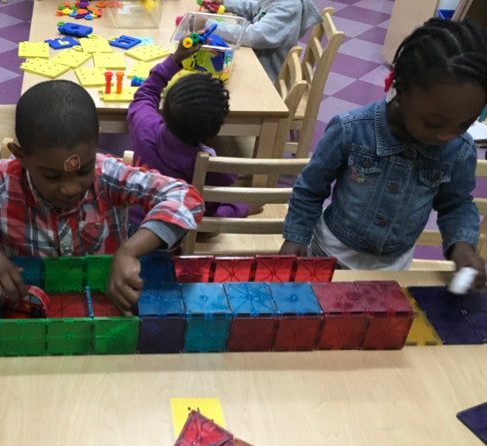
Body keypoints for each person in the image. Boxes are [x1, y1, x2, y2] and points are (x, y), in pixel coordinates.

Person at [0, 80, 204, 314]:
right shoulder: (3, 182)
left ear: (95, 145)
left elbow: (185, 198)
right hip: (25, 308)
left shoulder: (107, 173)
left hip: (100, 305)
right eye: (52, 176)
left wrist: (130, 251)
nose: (70, 188)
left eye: (82, 170)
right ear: (21, 156)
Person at [280, 18, 487, 289]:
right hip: (330, 254)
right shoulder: (350, 130)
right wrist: (296, 235)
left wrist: (462, 243)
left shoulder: (459, 150)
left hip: (395, 268)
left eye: (464, 124)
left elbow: (456, 204)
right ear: (400, 91)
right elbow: (310, 188)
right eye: (434, 123)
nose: (448, 135)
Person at [127, 37, 259, 231]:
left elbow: (145, 94)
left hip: (131, 219)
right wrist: (239, 208)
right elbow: (207, 216)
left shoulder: (144, 125)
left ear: (165, 107)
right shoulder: (212, 167)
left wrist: (175, 60)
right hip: (175, 232)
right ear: (216, 129)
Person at [209, 0, 321, 82]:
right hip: (256, 65)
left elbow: (254, 36)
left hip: (267, 77)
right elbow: (255, 7)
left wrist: (210, 26)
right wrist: (225, 2)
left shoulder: (288, 8)